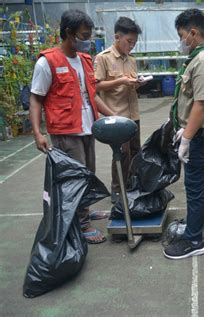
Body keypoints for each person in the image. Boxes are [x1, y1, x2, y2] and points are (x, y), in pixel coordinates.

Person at [29, 9, 114, 244]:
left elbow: (92, 95)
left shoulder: (85, 60)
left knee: (87, 175)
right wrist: (38, 133)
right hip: (66, 132)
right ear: (69, 33)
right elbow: (36, 98)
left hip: (88, 129)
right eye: (84, 36)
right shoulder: (48, 62)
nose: (88, 41)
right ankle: (82, 223)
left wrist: (111, 115)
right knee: (74, 179)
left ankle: (84, 209)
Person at [164, 9, 204, 260]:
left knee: (195, 184)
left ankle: (193, 240)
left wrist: (187, 138)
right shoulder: (203, 57)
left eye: (182, 35)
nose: (180, 41)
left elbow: (201, 104)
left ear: (193, 33)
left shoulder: (202, 61)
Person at [94, 17, 142, 203]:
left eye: (134, 43)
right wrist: (121, 80)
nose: (131, 46)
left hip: (133, 113)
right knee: (122, 154)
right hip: (116, 114)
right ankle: (117, 190)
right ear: (117, 36)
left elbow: (131, 85)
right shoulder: (103, 58)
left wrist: (137, 83)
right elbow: (96, 87)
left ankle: (130, 186)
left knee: (136, 152)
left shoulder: (131, 60)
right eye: (129, 42)